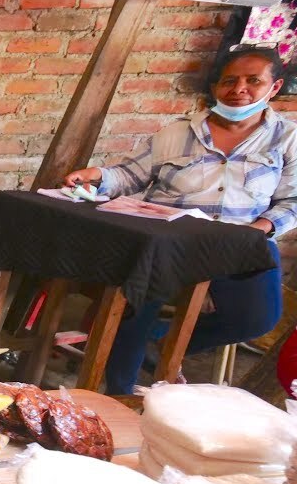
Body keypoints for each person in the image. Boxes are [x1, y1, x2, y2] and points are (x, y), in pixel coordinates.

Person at [63, 45, 297, 394]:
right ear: (216, 86)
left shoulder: (287, 139)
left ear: (274, 87)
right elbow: (130, 175)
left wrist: (258, 230)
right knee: (134, 305)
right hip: (170, 241)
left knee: (256, 319)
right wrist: (95, 175)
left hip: (240, 241)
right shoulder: (177, 133)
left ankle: (167, 340)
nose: (239, 90)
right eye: (229, 81)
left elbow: (292, 200)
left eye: (253, 81)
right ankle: (118, 394)